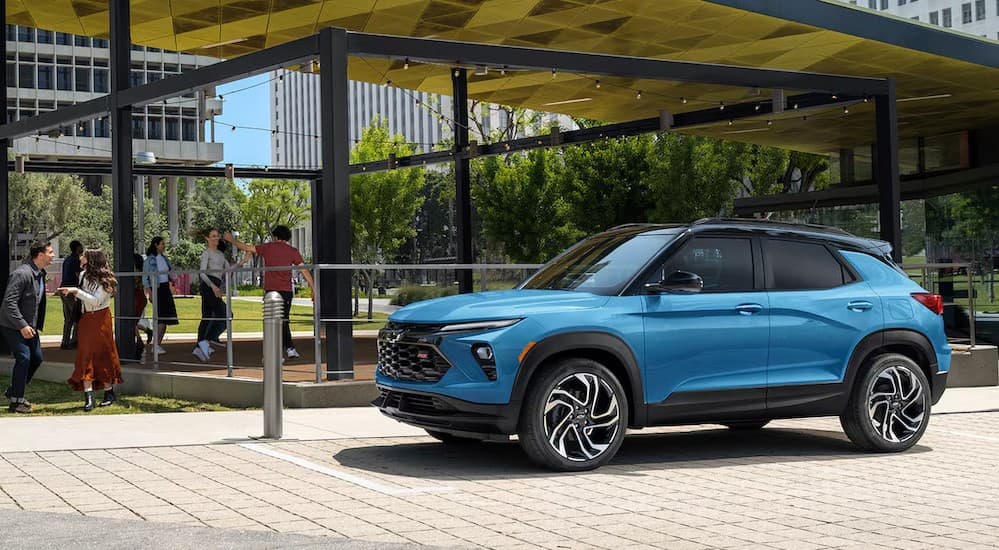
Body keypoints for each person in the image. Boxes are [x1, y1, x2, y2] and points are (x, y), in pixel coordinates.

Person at [225, 225, 314, 359]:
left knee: (272, 322)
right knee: (283, 320)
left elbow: (246, 247)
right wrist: (313, 288)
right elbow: (304, 270)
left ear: (276, 237)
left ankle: (278, 351)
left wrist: (231, 240)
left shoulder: (268, 247)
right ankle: (288, 348)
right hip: (286, 291)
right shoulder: (292, 251)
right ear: (287, 237)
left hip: (271, 290)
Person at [58, 249, 122, 411]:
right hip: (87, 319)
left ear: (91, 259)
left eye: (84, 255)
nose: (81, 257)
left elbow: (96, 301)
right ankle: (89, 397)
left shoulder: (106, 280)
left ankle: (109, 392)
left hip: (101, 319)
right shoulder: (82, 276)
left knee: (103, 354)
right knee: (85, 355)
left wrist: (75, 291)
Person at [0, 242, 54, 413]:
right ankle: (16, 402)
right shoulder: (22, 274)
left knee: (36, 358)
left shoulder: (39, 274)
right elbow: (9, 303)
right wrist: (22, 325)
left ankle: (13, 391)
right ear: (40, 255)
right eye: (50, 252)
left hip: (29, 326)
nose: (53, 255)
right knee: (24, 357)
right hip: (13, 325)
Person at [193, 229, 228, 362]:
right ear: (207, 239)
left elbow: (228, 269)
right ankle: (207, 340)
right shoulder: (206, 253)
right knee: (224, 312)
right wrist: (213, 287)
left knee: (207, 317)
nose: (216, 238)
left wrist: (243, 262)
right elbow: (202, 272)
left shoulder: (220, 254)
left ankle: (199, 345)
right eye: (213, 236)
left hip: (215, 284)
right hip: (208, 286)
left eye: (217, 236)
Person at [142, 236, 179, 355]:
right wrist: (149, 292)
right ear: (156, 245)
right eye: (162, 244)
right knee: (160, 317)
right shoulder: (149, 260)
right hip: (156, 288)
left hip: (165, 288)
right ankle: (156, 345)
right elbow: (145, 277)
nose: (164, 246)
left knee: (166, 317)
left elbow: (169, 273)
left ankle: (157, 344)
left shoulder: (164, 258)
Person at [59, 240, 84, 350]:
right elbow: (78, 276)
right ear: (77, 248)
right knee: (76, 316)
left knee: (68, 317)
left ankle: (65, 341)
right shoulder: (75, 260)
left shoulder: (67, 259)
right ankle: (74, 341)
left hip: (63, 289)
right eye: (80, 246)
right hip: (70, 290)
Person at [133, 253, 153, 358]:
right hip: (140, 297)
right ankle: (147, 331)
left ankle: (139, 342)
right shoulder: (143, 272)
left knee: (131, 322)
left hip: (136, 297)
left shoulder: (135, 273)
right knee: (133, 322)